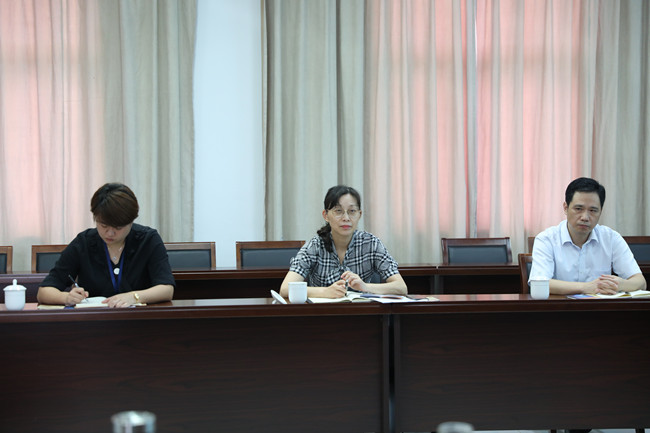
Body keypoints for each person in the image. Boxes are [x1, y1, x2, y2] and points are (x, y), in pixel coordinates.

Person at [37, 183, 175, 307]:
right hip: (94, 321)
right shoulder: (84, 242)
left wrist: (134, 297)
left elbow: (166, 289)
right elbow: (44, 291)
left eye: (118, 227)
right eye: (103, 225)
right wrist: (66, 297)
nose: (109, 233)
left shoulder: (148, 240)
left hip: (139, 320)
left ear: (131, 221)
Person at [280, 185, 408, 298]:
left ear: (359, 214)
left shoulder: (371, 244)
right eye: (338, 211)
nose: (346, 218)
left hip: (361, 313)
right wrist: (325, 292)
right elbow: (285, 289)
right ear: (326, 215)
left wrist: (365, 286)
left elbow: (401, 287)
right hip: (323, 314)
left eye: (352, 211)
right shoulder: (315, 246)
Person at [530, 177, 646, 296]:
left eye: (593, 210)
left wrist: (619, 285)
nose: (585, 217)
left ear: (600, 211)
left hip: (600, 307)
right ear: (565, 208)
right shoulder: (546, 239)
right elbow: (538, 284)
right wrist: (586, 287)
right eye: (578, 209)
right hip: (561, 306)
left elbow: (641, 282)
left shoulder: (611, 238)